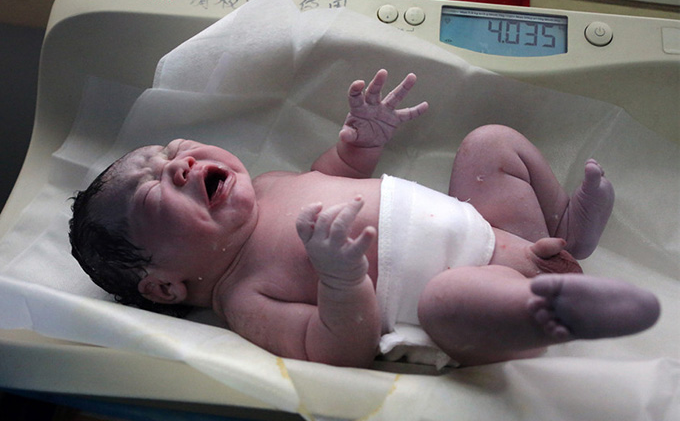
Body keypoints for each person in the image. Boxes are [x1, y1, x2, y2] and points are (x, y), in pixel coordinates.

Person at [69, 69, 660, 368]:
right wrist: (341, 279)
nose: (180, 164)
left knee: (489, 143)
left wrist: (360, 145)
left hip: (495, 231)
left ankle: (560, 232)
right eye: (153, 193)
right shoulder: (245, 298)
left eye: (171, 151)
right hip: (475, 304)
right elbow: (337, 349)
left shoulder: (271, 184)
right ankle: (553, 312)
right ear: (165, 286)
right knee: (445, 300)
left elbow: (337, 174)